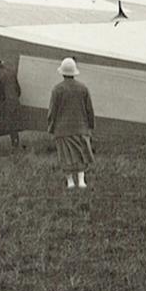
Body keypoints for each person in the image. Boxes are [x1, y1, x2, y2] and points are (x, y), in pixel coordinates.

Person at [47, 57, 96, 191]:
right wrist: (90, 126)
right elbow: (89, 109)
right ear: (74, 73)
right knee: (81, 155)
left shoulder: (57, 90)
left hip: (62, 129)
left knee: (65, 157)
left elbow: (52, 111)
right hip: (81, 128)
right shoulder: (83, 88)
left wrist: (51, 128)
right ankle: (81, 181)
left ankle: (70, 182)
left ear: (62, 73)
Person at [0, 55, 22, 149]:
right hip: (13, 101)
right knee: (13, 125)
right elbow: (18, 90)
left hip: (2, 103)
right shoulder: (11, 73)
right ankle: (15, 144)